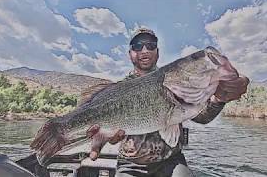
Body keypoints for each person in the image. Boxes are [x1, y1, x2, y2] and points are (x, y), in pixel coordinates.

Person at [88, 27, 249, 177]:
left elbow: (202, 117)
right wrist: (107, 136)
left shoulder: (174, 79)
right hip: (130, 165)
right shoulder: (117, 90)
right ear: (130, 53)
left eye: (150, 45)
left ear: (157, 52)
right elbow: (106, 132)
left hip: (172, 161)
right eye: (137, 46)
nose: (144, 50)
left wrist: (220, 98)